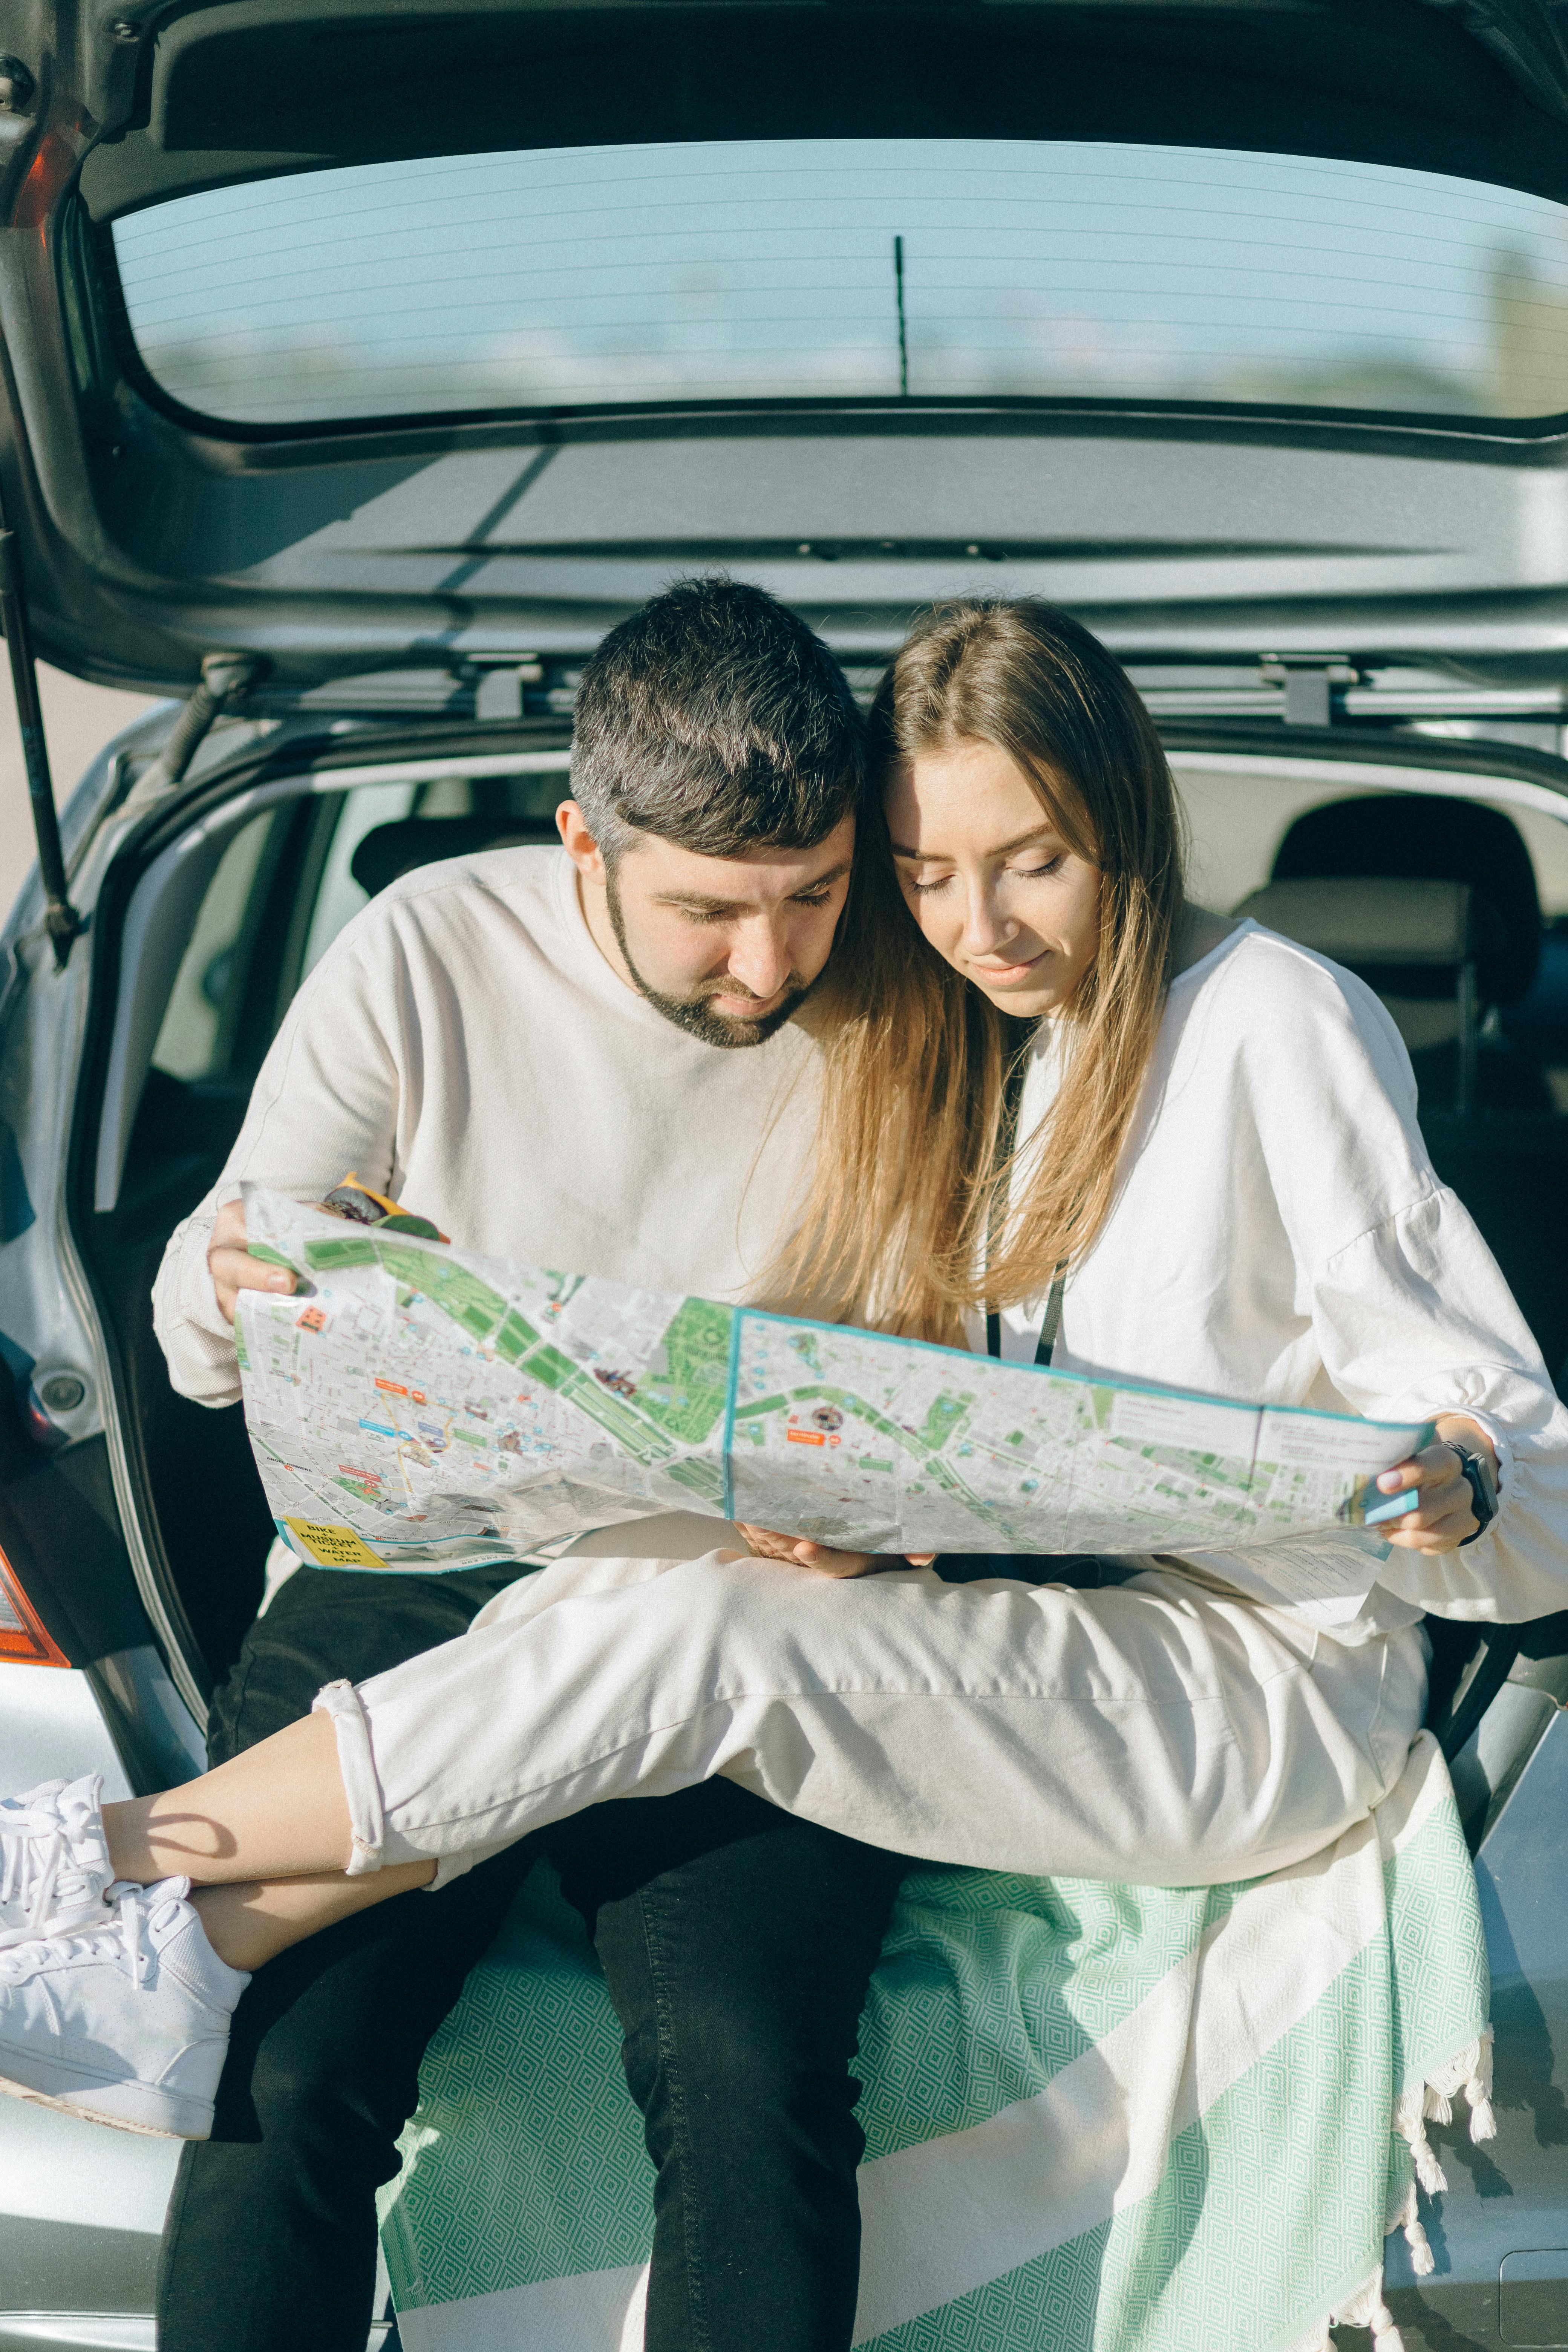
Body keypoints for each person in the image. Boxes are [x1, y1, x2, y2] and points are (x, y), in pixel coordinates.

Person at [5, 599, 1567, 2325]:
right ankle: (151, 1921)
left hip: (1226, 1667)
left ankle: (128, 1879)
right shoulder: (920, 1018)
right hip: (666, 1584)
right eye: (921, 875)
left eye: (1022, 862)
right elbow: (967, 1421)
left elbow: (1481, 1434)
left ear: (1119, 817)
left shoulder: (1219, 1020)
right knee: (401, 1937)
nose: (953, 926)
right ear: (582, 845)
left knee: (700, 1765)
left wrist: (1456, 1479)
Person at [2, 575, 924, 2352]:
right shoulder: (428, 945)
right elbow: (206, 1331)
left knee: (748, 2070)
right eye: (711, 914)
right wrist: (247, 1278)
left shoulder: (900, 989)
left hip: (730, 1604)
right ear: (582, 843)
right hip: (413, 1563)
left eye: (810, 899)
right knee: (292, 2060)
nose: (771, 962)